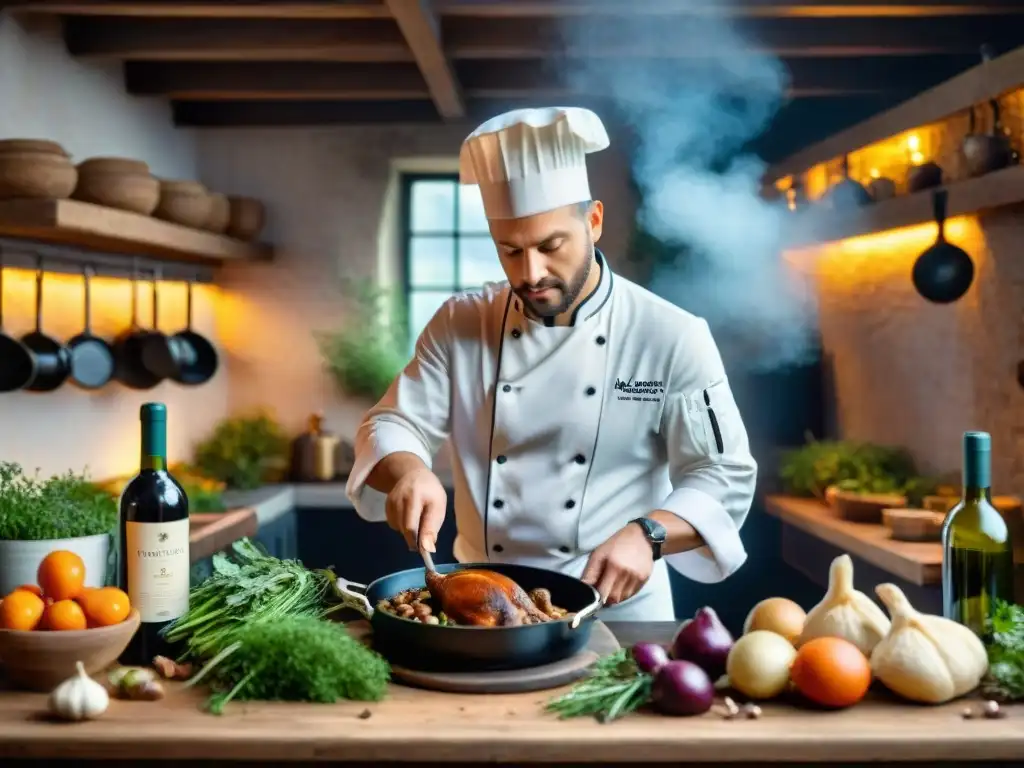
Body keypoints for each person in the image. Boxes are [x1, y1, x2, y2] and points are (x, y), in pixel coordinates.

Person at [346, 106, 758, 621]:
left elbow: (723, 473)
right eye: (510, 251)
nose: (531, 271)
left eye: (550, 245)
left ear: (594, 221)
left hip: (616, 610)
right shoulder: (460, 322)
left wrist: (649, 534)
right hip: (479, 605)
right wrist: (410, 471)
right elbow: (392, 422)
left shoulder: (670, 334)